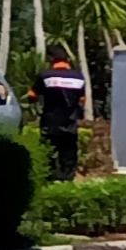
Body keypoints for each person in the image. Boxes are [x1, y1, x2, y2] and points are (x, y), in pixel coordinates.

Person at [34, 52, 87, 181]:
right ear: (67, 61)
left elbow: (32, 95)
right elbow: (82, 99)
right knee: (68, 153)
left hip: (49, 121)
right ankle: (67, 180)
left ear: (52, 60)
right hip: (70, 123)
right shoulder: (78, 77)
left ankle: (49, 178)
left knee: (48, 152)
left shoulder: (45, 76)